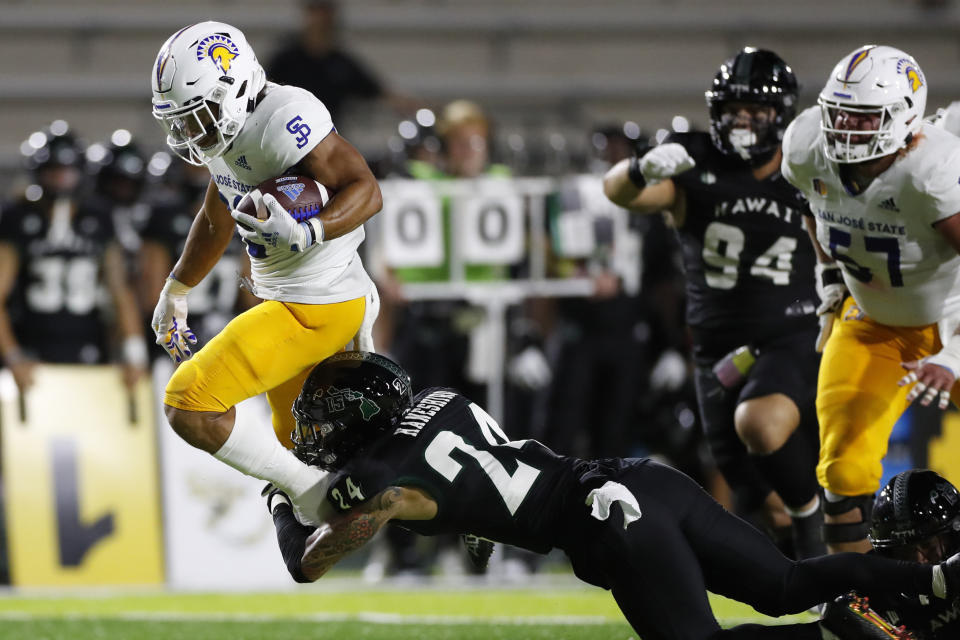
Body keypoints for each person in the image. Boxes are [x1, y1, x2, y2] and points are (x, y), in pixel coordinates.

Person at [264, 350, 960, 640]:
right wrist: (475, 524)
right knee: (786, 580)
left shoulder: (384, 476)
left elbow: (315, 559)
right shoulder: (441, 400)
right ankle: (934, 582)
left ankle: (841, 630)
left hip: (605, 521)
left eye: (326, 413)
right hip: (638, 477)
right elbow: (488, 468)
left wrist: (279, 506)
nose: (316, 427)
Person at [148, 21, 382, 526]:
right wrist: (178, 286)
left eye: (198, 115)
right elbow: (217, 216)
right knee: (315, 445)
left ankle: (311, 494)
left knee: (189, 403)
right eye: (182, 122)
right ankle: (457, 497)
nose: (190, 133)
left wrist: (313, 230)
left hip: (316, 305)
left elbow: (367, 189)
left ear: (233, 90)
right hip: (288, 302)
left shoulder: (285, 117)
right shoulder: (227, 136)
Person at [603, 48, 824, 558]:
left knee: (764, 426)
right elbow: (619, 192)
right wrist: (639, 168)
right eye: (733, 111)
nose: (743, 123)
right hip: (717, 351)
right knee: (755, 492)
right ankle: (815, 564)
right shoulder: (695, 159)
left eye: (756, 112)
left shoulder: (806, 165)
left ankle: (817, 531)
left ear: (782, 115)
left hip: (790, 335)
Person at [781, 45, 960, 554]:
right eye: (838, 113)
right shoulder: (807, 145)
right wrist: (831, 281)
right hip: (873, 320)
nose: (845, 128)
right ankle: (861, 612)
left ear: (905, 118)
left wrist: (952, 357)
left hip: (953, 320)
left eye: (863, 118)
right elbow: (814, 208)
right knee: (844, 469)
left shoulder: (932, 170)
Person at [0, 120, 147, 392]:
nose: (60, 179)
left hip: (89, 352)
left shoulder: (98, 219)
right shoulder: (18, 218)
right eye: (53, 170)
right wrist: (13, 355)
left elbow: (120, 292)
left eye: (66, 171)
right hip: (31, 354)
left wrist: (134, 354)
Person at [265, 0, 416, 124]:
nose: (321, 19)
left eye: (325, 11)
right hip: (288, 135)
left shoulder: (341, 63)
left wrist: (416, 106)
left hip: (327, 140)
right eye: (316, 11)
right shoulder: (286, 59)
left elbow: (377, 91)